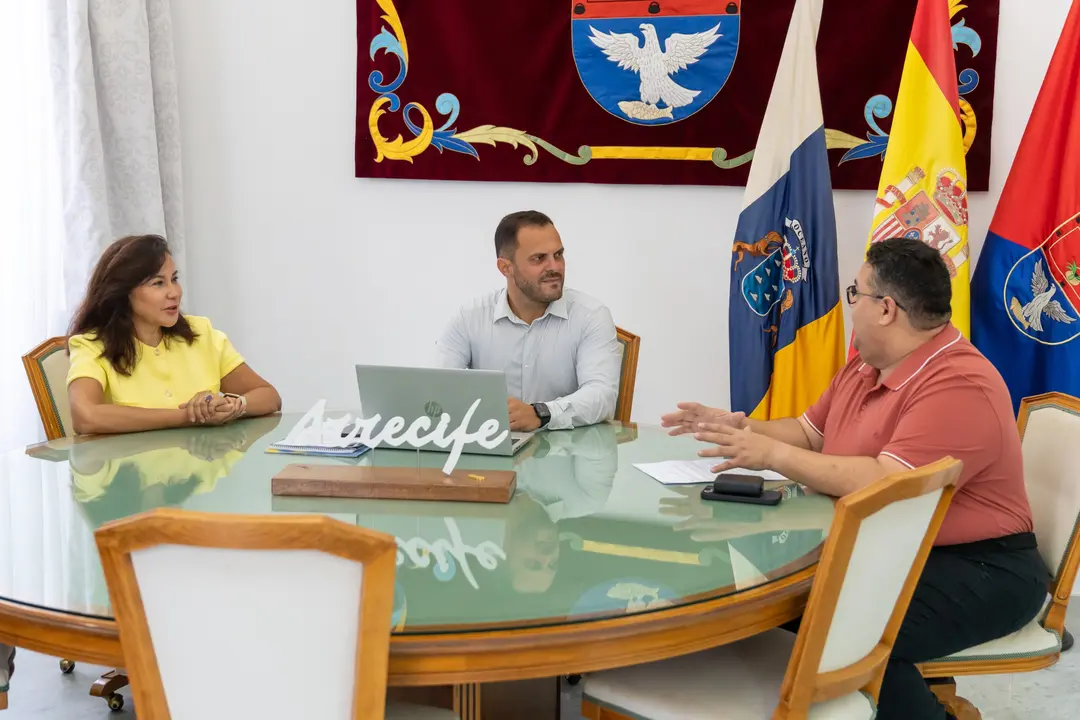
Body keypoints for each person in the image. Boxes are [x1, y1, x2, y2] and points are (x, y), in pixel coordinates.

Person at [662, 238, 1049, 720]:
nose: (850, 305)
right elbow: (809, 433)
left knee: (845, 632)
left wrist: (772, 455)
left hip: (982, 569)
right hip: (896, 549)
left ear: (886, 309)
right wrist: (740, 428)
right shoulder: (867, 364)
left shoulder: (958, 383)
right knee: (786, 610)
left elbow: (888, 483)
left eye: (855, 293)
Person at [67, 234, 281, 435]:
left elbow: (269, 396)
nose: (175, 292)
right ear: (122, 293)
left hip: (204, 461)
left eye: (174, 279)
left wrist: (232, 405)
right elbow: (86, 417)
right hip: (130, 462)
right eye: (158, 283)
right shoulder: (91, 345)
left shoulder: (200, 333)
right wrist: (190, 416)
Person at [436, 210, 622, 432]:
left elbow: (602, 396)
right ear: (506, 268)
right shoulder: (469, 317)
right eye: (539, 258)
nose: (555, 267)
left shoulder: (591, 315)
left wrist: (541, 413)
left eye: (558, 255)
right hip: (490, 447)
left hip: (568, 450)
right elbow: (438, 390)